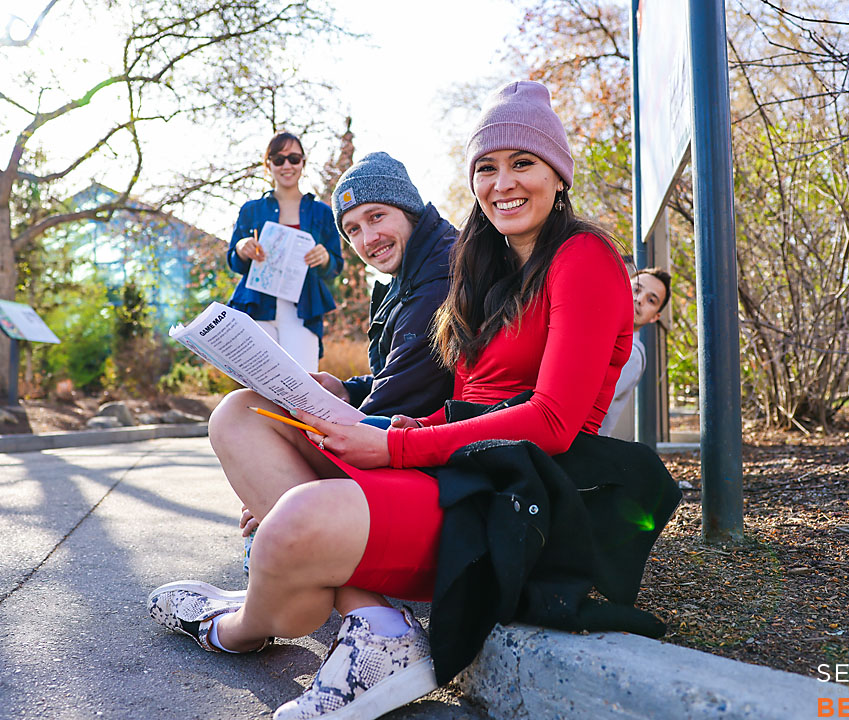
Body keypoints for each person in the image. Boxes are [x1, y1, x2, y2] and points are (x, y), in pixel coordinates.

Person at [148, 81, 679, 720]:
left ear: (558, 175)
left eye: (522, 164)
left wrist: (395, 443)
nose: (502, 183)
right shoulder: (489, 266)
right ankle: (370, 626)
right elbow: (465, 400)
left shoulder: (583, 257)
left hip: (515, 495)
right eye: (487, 168)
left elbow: (553, 422)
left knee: (291, 525)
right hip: (456, 468)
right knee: (239, 414)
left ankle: (233, 626)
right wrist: (402, 423)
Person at [312, 151, 457, 419]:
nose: (368, 238)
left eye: (376, 216)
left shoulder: (438, 281)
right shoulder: (410, 277)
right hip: (411, 436)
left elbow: (399, 404)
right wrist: (348, 391)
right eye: (353, 229)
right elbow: (403, 376)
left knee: (240, 415)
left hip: (435, 449)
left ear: (409, 210)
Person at [227, 132, 344, 372]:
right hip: (257, 306)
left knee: (303, 383)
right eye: (278, 159)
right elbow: (234, 261)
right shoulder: (251, 210)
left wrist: (324, 258)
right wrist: (241, 248)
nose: (287, 165)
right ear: (267, 164)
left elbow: (336, 266)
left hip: (303, 310)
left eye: (294, 158)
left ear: (303, 162)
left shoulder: (321, 212)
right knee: (260, 385)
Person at [599, 267, 672, 438]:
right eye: (636, 289)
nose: (639, 300)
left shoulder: (632, 355)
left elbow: (588, 401)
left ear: (655, 317)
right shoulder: (600, 334)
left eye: (651, 300)